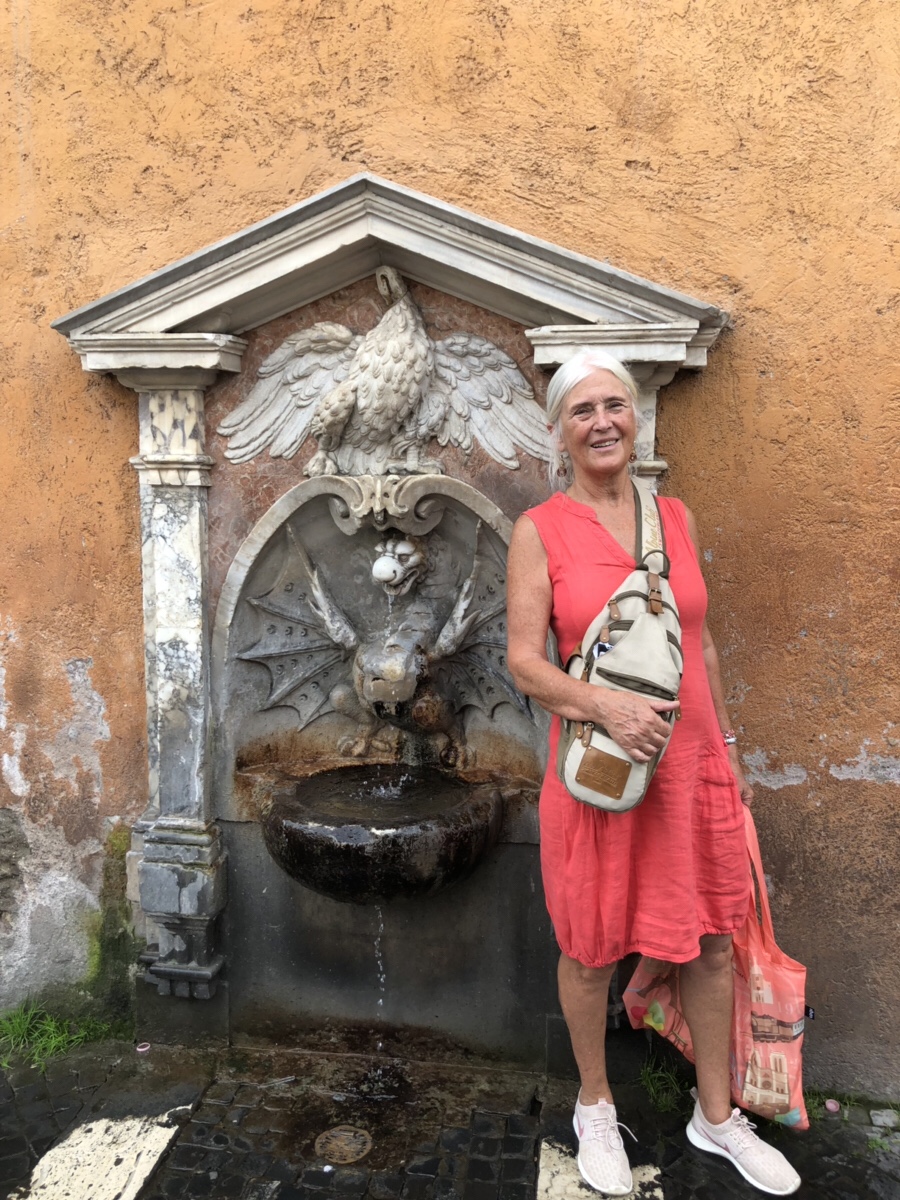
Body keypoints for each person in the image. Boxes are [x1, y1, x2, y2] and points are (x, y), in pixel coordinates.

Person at [506, 349, 800, 1198]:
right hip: (602, 774)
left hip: (691, 769)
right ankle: (594, 1105)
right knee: (590, 949)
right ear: (559, 432)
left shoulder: (675, 516)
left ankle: (716, 1115)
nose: (602, 423)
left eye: (615, 406)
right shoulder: (541, 530)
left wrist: (729, 747)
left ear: (635, 418)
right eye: (582, 411)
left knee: (711, 943)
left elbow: (698, 643)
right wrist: (605, 707)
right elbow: (524, 662)